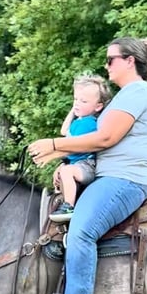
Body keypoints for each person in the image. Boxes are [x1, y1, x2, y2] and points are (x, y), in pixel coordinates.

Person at [27, 36, 147, 294]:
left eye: (111, 59)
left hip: (124, 179)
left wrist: (54, 145)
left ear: (130, 61)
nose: (107, 65)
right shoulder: (127, 96)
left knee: (81, 232)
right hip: (112, 176)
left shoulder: (136, 92)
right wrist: (62, 157)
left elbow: (104, 139)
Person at [49, 74, 112, 222]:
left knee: (66, 171)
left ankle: (69, 205)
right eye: (75, 99)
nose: (77, 103)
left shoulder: (89, 123)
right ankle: (63, 196)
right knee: (63, 172)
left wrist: (53, 153)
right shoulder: (78, 121)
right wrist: (74, 109)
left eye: (83, 101)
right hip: (76, 164)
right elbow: (64, 132)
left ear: (98, 106)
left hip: (86, 165)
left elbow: (74, 146)